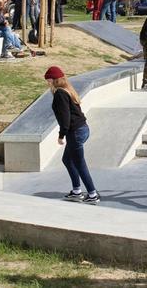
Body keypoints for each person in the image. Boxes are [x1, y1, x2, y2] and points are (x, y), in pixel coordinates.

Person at [44, 66, 100, 205]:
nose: (47, 82)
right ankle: (76, 191)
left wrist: (61, 135)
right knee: (67, 160)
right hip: (82, 129)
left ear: (54, 80)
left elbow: (65, 118)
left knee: (80, 164)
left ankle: (92, 194)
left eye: (48, 79)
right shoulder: (68, 90)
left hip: (75, 132)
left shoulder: (60, 94)